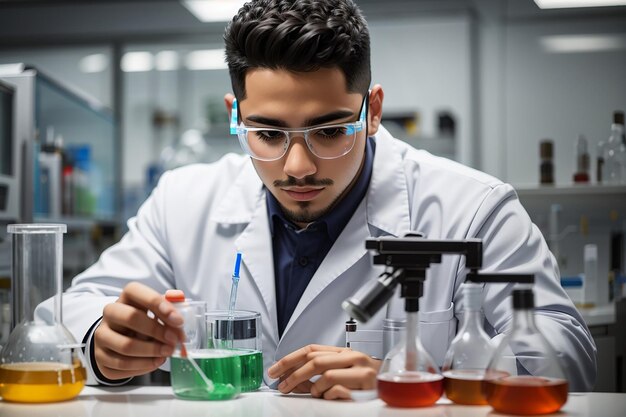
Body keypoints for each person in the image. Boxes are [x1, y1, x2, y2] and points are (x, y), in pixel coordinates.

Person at [51, 0, 596, 399]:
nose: (298, 167)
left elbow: (568, 356)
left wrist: (408, 373)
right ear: (234, 115)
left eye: (330, 131)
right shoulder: (183, 200)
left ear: (373, 110)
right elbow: (67, 313)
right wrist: (103, 341)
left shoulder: (474, 207)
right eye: (267, 134)